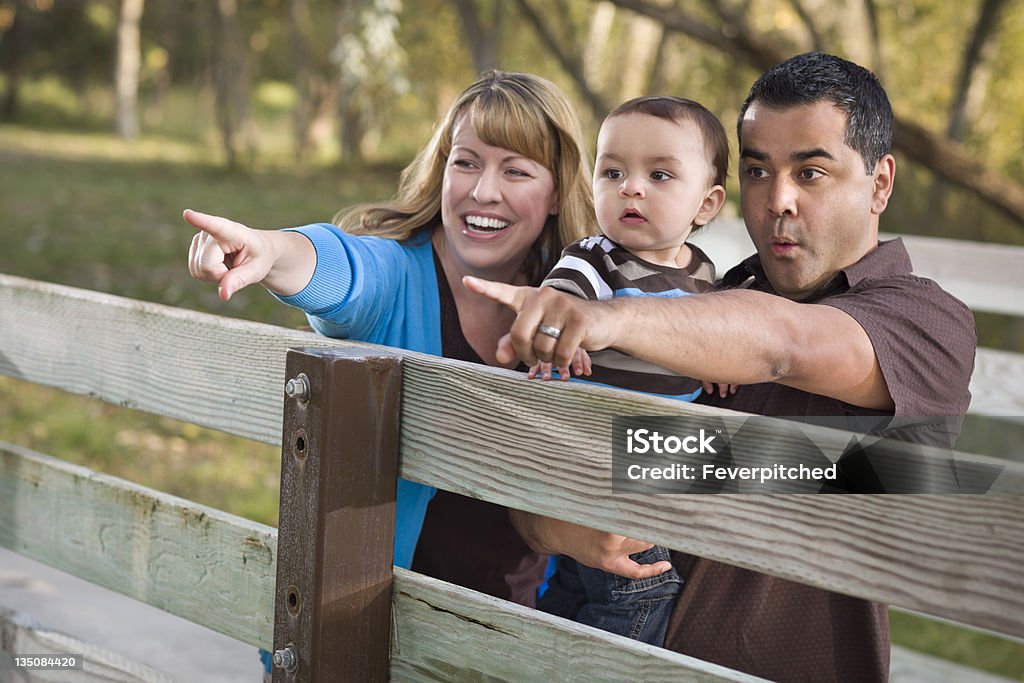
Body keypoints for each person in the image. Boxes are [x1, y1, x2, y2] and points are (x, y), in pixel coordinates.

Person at [465, 52, 976, 681]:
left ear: (879, 183)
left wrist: (606, 317)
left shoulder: (925, 320)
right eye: (759, 170)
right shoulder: (709, 295)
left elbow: (784, 343)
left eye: (812, 172)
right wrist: (558, 529)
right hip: (613, 649)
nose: (779, 199)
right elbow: (563, 482)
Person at [184, 69, 595, 677]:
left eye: (516, 170)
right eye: (466, 163)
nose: (484, 191)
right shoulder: (394, 276)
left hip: (507, 643)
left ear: (558, 192)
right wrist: (270, 251)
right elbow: (338, 266)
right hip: (365, 640)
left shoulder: (580, 297)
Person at [531, 95, 728, 647]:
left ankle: (550, 646)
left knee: (579, 581)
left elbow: (717, 338)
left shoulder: (705, 275)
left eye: (659, 174)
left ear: (706, 204)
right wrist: (558, 338)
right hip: (602, 455)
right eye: (612, 171)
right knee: (642, 584)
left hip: (658, 457)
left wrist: (716, 364)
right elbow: (555, 306)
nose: (630, 188)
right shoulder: (594, 259)